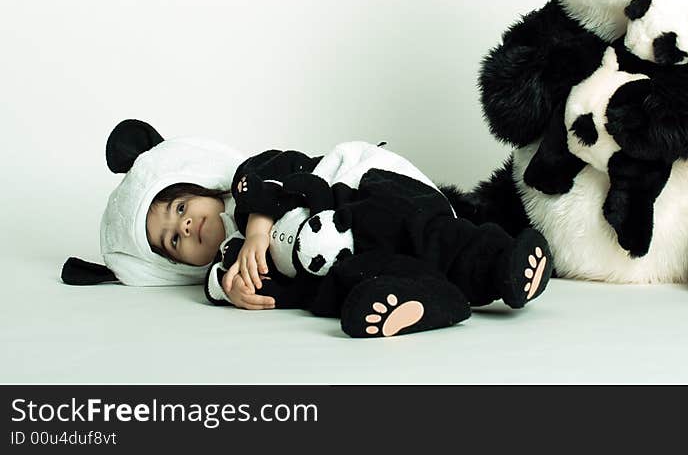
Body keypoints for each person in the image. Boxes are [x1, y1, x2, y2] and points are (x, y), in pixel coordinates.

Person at [63, 119, 552, 338]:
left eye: (182, 206)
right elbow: (243, 286)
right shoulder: (224, 265)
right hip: (339, 257)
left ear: (203, 189)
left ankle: (497, 262)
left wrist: (258, 226)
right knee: (342, 285)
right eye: (173, 239)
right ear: (174, 263)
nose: (187, 226)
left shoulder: (246, 180)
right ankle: (427, 298)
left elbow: (288, 171)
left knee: (411, 228)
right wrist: (238, 292)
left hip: (362, 195)